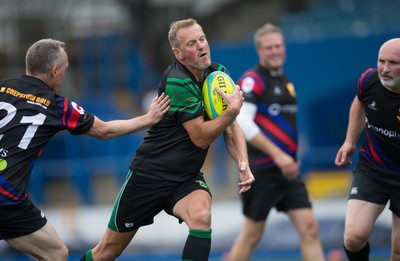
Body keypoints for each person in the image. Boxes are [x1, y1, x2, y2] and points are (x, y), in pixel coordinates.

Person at [80, 18, 255, 261]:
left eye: (202, 39)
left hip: (185, 178)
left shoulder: (219, 74)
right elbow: (201, 138)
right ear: (179, 53)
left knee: (202, 216)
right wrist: (232, 111)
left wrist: (243, 164)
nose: (202, 46)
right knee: (106, 252)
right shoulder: (177, 80)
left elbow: (230, 127)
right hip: (150, 175)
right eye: (192, 43)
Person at [0, 38, 170, 261]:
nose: (64, 75)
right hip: (7, 198)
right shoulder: (57, 105)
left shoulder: (3, 87)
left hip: (9, 197)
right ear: (54, 72)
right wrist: (148, 119)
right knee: (57, 253)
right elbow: (105, 131)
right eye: (65, 70)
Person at [226, 23, 325, 261]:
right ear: (259, 50)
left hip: (288, 171)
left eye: (278, 46)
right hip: (262, 170)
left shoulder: (285, 82)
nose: (274, 51)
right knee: (252, 234)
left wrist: (288, 157)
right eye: (268, 47)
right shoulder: (253, 80)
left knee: (310, 228)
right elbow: (243, 122)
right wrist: (278, 154)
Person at [335, 38, 400, 260]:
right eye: (382, 61)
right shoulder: (369, 80)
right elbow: (359, 102)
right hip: (373, 168)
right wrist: (350, 141)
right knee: (353, 237)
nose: (385, 69)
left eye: (393, 63)